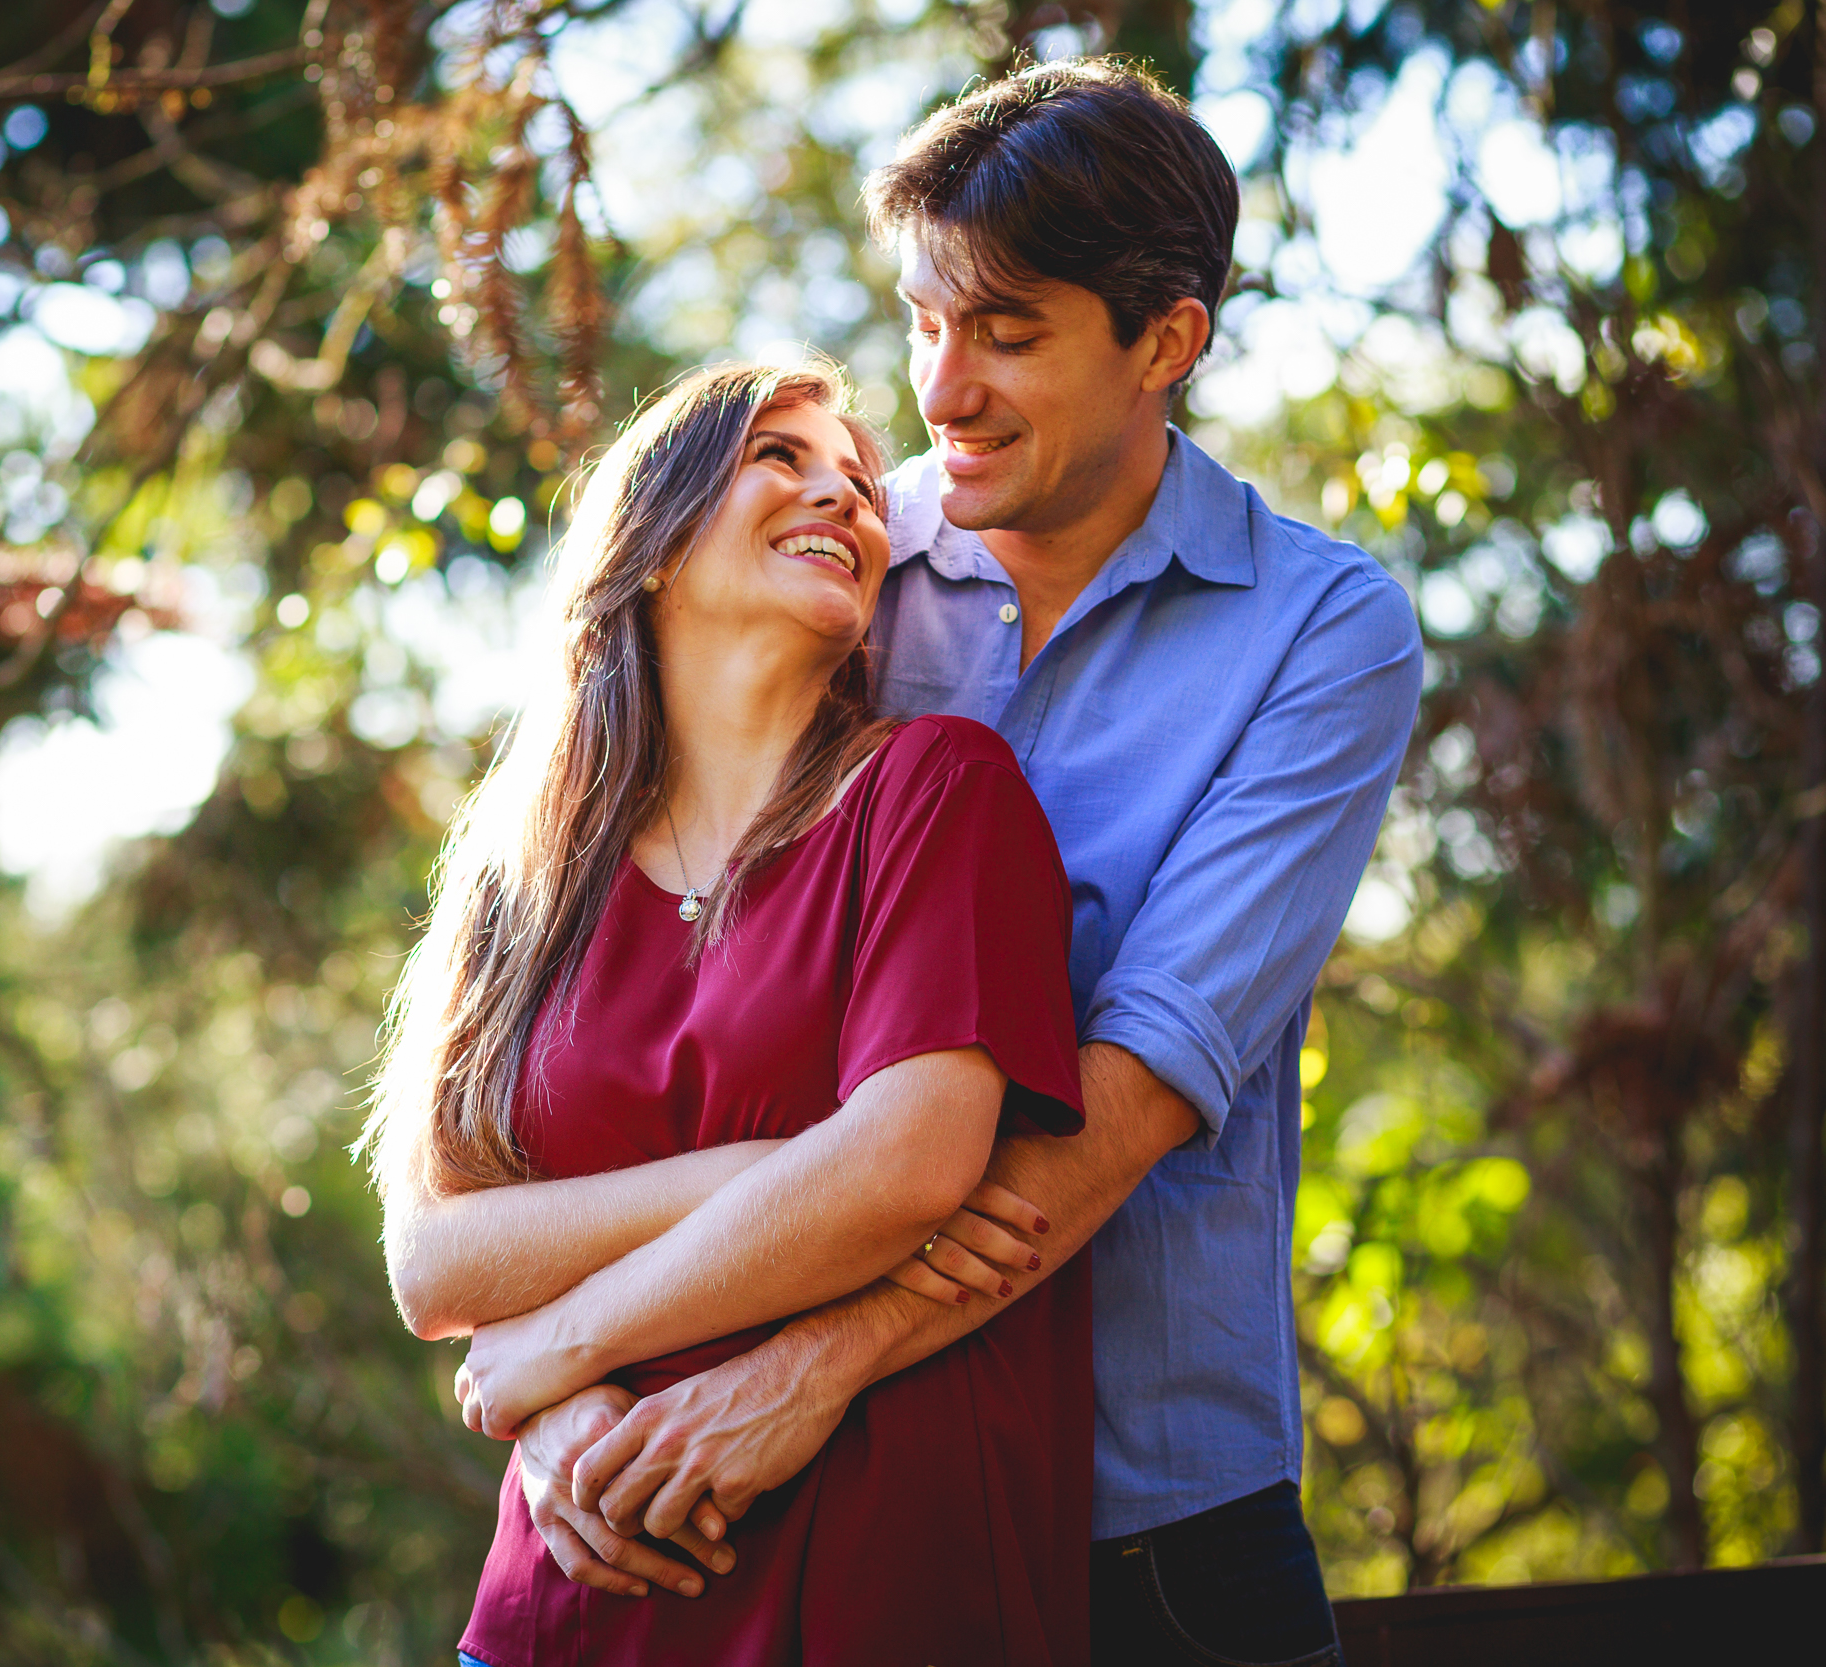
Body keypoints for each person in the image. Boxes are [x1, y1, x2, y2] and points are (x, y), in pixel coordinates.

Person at [501, 59, 1424, 1667]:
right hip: (783, 1498)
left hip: (1150, 1510)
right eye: (925, 320)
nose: (941, 387)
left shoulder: (1322, 634)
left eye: (1007, 332)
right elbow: (581, 997)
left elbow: (1138, 1083)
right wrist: (558, 1386)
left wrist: (816, 1361)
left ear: (1168, 343)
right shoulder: (825, 566)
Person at [359, 359, 1094, 1666]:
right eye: (779, 457)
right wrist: (771, 1171)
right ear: (651, 545)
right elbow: (434, 1266)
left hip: (874, 1591)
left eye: (860, 482)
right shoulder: (524, 877)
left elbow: (908, 1164)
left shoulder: (939, 792)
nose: (844, 495)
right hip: (562, 1607)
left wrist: (560, 1340)